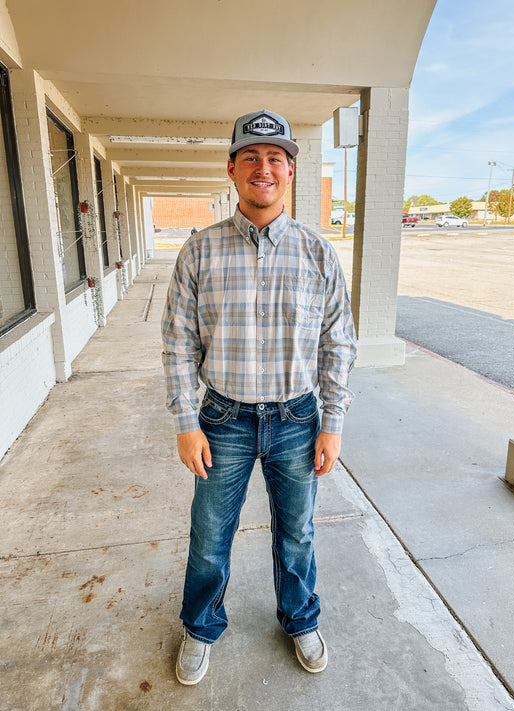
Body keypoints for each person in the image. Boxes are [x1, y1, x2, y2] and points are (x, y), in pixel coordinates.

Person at [162, 109, 357, 685]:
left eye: (275, 158)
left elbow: (337, 342)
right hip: (221, 417)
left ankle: (299, 618)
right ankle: (200, 626)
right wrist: (185, 422)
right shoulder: (198, 252)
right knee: (210, 534)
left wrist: (333, 421)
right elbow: (177, 344)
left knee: (297, 531)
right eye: (251, 157)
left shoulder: (318, 252)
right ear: (232, 169)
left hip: (298, 418)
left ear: (291, 171)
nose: (263, 168)